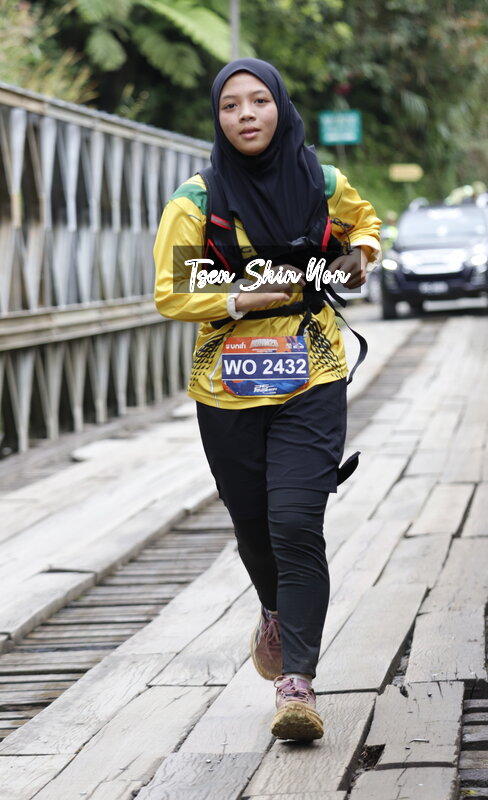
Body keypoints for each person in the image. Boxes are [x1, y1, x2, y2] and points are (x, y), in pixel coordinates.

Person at [153, 58, 381, 742]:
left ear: (281, 107)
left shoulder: (322, 182)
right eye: (230, 105)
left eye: (258, 101)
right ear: (217, 118)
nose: (246, 114)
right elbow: (170, 291)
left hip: (311, 373)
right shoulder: (195, 201)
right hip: (226, 388)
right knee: (253, 524)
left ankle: (296, 686)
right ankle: (275, 613)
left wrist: (360, 254)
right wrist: (238, 298)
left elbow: (366, 225)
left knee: (295, 522)